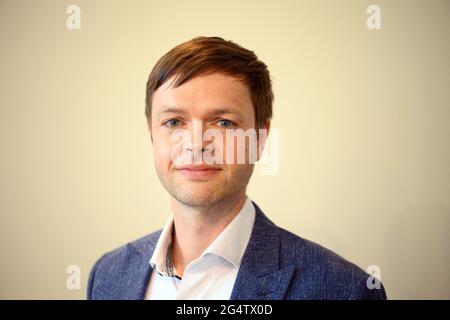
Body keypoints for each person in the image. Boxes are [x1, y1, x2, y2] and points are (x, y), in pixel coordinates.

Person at [87, 36, 387, 300]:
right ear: (152, 135)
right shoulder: (107, 275)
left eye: (224, 122)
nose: (196, 143)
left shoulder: (345, 291)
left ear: (259, 138)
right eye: (174, 122)